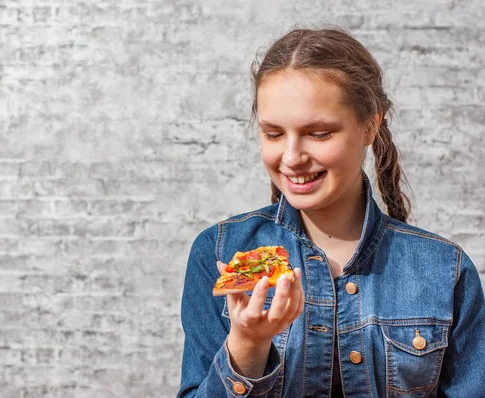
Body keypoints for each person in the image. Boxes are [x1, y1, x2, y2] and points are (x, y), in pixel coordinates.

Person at [178, 27, 485, 398]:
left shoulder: (445, 269)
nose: (291, 157)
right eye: (274, 134)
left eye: (319, 133)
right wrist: (247, 345)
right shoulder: (220, 253)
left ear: (371, 124)